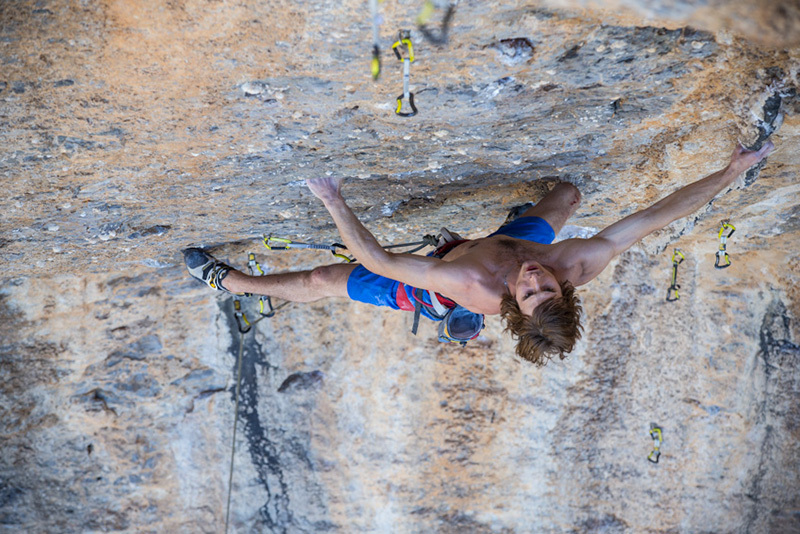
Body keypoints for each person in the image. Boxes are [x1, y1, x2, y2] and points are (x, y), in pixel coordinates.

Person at [184, 142, 775, 365]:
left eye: (531, 290)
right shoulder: (575, 262)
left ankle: (230, 283)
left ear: (515, 303)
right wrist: (729, 172)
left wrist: (334, 201)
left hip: (440, 279)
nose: (537, 279)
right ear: (569, 289)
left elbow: (380, 263)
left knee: (324, 277)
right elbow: (656, 216)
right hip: (501, 243)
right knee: (568, 195)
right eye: (548, 286)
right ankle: (512, 229)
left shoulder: (472, 281)